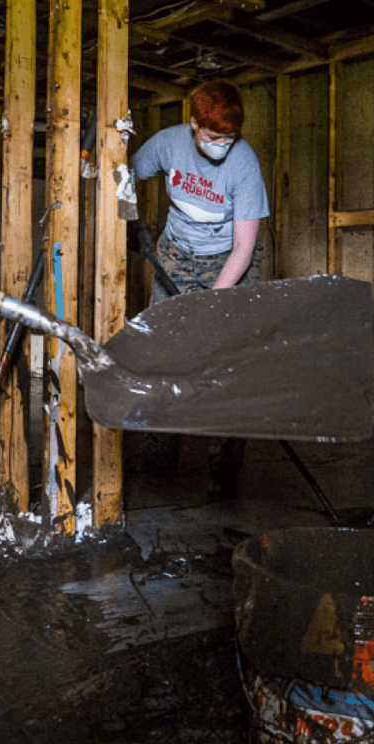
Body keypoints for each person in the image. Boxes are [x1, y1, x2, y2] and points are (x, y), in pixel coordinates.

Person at [131, 79, 270, 496]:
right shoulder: (168, 143)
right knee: (165, 351)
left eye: (229, 137)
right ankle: (158, 455)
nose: (221, 145)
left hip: (228, 260)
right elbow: (126, 172)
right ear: (194, 124)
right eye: (213, 136)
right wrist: (129, 220)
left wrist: (213, 304)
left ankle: (224, 467)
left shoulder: (244, 164)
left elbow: (244, 248)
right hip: (177, 253)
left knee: (228, 364)